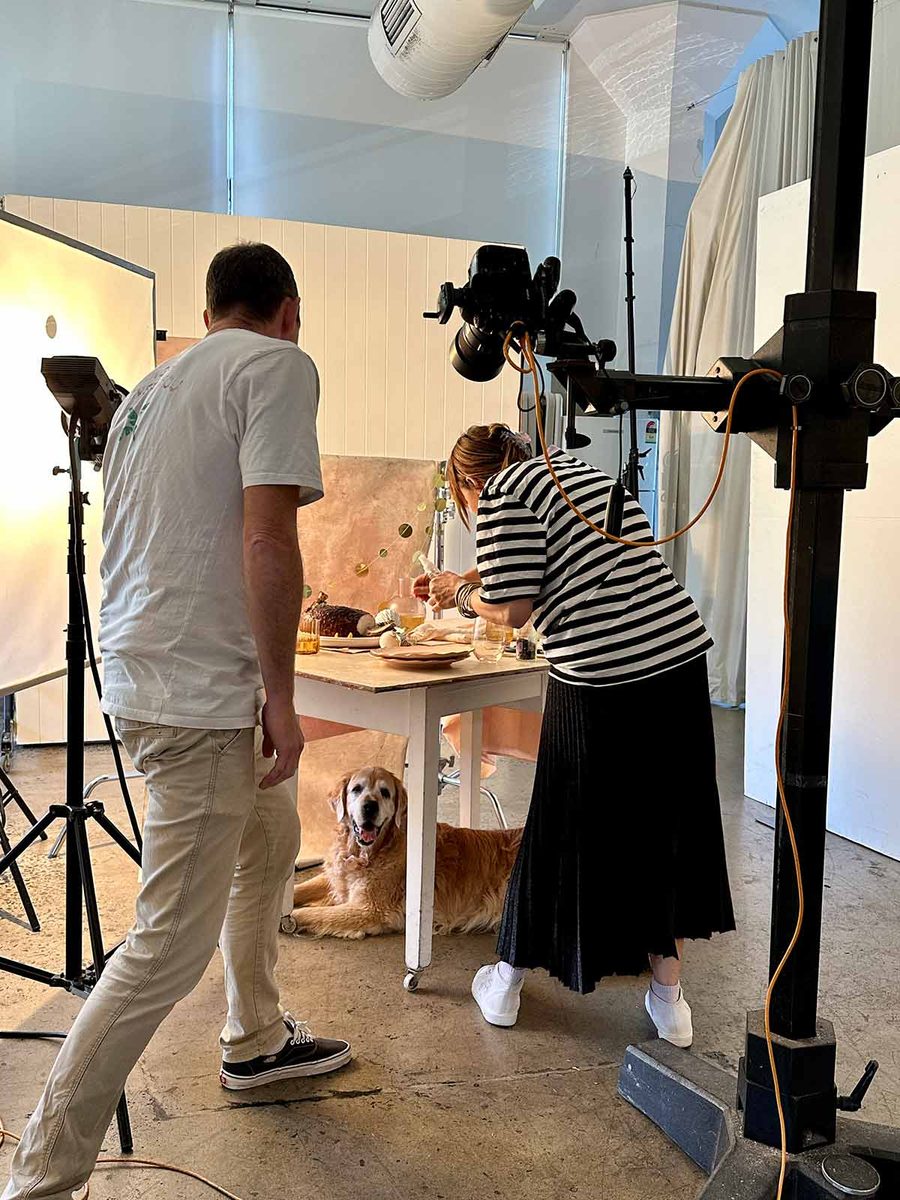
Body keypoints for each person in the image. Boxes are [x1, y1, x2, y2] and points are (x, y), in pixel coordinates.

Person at [4, 243, 352, 1200]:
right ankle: (41, 1173)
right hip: (196, 697)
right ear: (289, 311)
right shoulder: (278, 365)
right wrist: (283, 697)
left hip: (148, 675)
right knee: (165, 947)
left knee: (269, 839)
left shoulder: (152, 391)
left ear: (206, 315)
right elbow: (266, 536)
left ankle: (255, 1038)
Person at [418, 423, 734, 1046]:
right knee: (663, 825)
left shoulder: (499, 493)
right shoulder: (574, 475)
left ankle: (504, 985)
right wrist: (473, 581)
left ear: (468, 481)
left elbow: (513, 611)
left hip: (601, 673)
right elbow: (561, 564)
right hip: (676, 659)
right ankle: (669, 1001)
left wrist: (460, 594)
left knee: (561, 823)